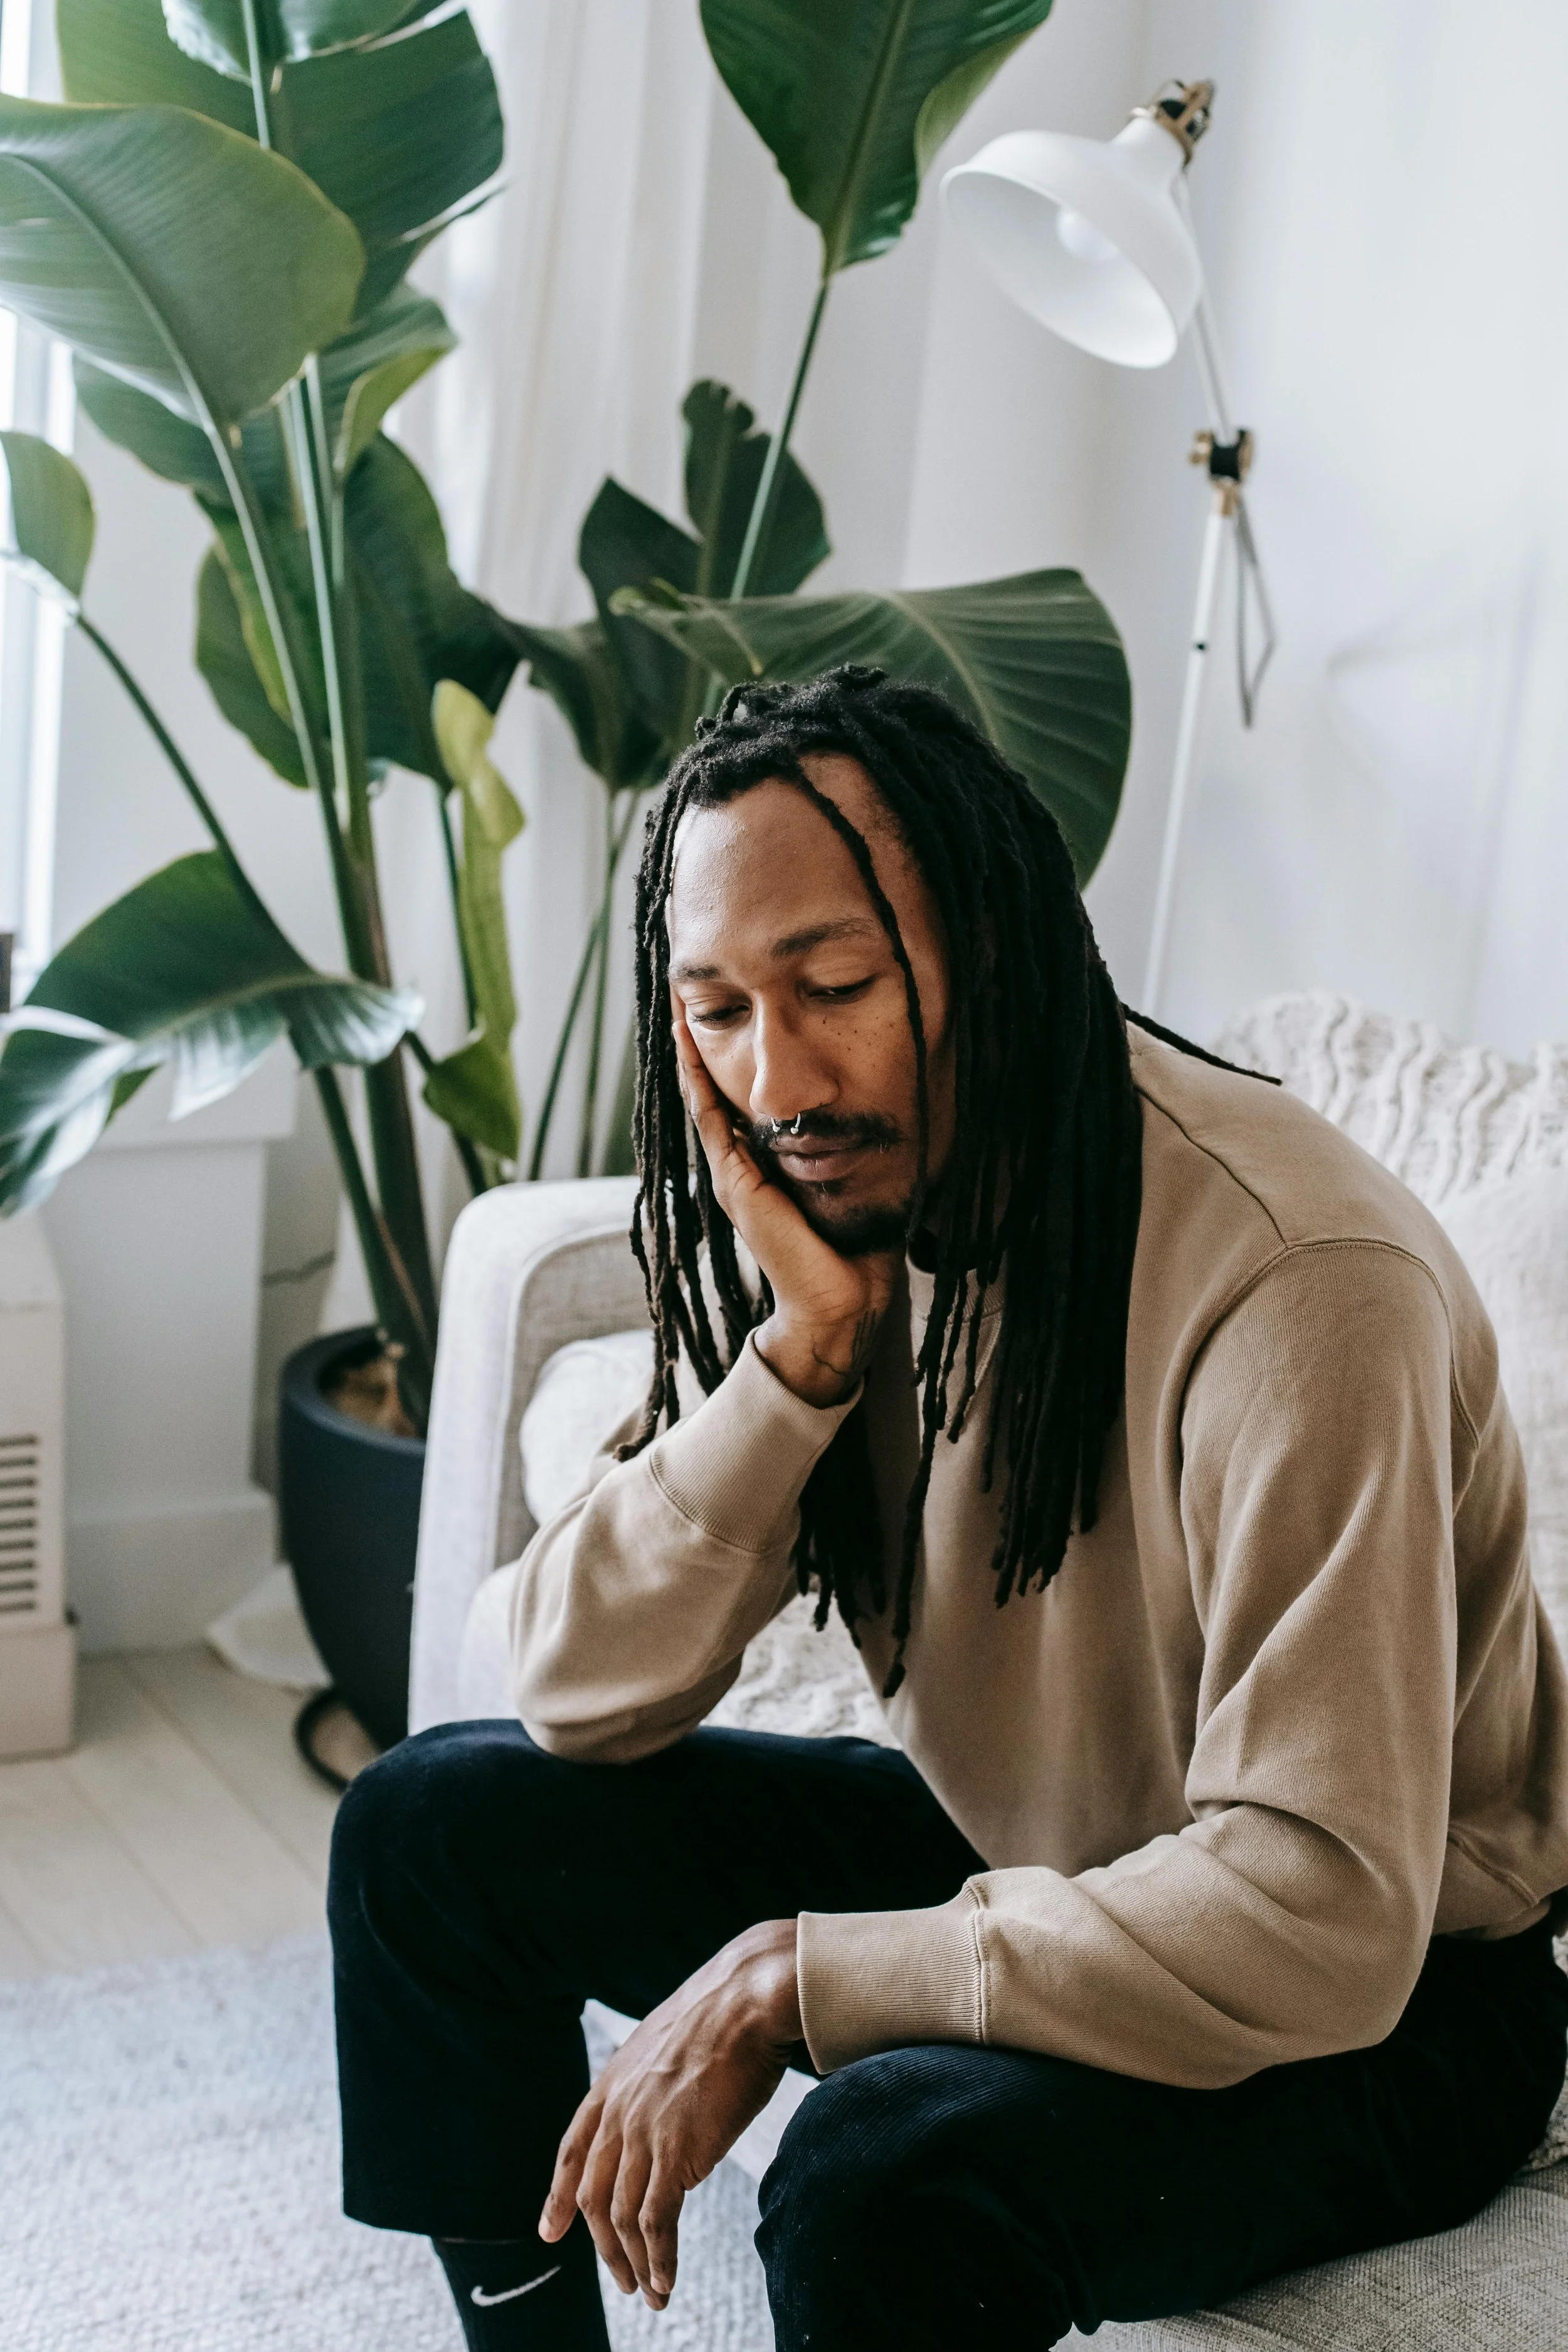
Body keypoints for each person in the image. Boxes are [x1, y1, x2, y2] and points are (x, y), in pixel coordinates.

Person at [329, 667, 1568, 2351]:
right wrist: (801, 1359)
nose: (779, 1078)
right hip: (1048, 1849)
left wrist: (805, 1973)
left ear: (985, 942)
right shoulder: (836, 1209)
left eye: (832, 983)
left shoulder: (1295, 1279)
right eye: (715, 1009)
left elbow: (1319, 1909)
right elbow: (568, 1680)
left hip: (1390, 1999)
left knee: (879, 2169)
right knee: (426, 1833)